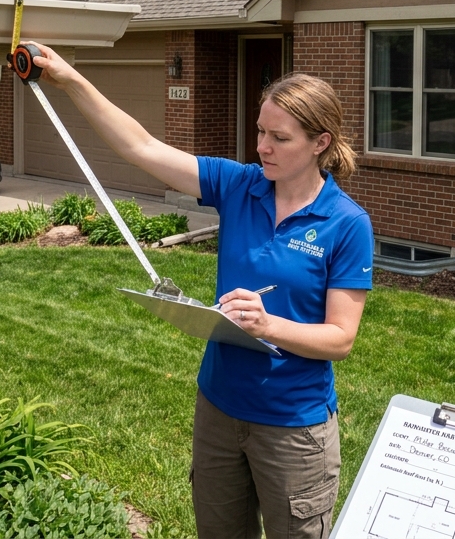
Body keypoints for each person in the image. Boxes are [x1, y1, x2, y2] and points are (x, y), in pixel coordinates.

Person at [29, 44, 373, 539]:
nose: (262, 147)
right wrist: (70, 79)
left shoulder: (346, 224)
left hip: (293, 426)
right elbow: (141, 148)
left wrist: (267, 324)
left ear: (320, 142)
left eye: (279, 137)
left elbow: (341, 338)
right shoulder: (239, 186)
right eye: (260, 131)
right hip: (217, 408)